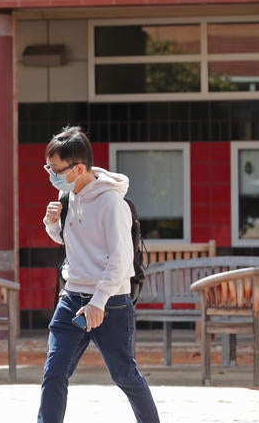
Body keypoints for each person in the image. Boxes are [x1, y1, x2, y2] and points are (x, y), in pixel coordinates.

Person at [39, 126, 160, 423]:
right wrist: (51, 223)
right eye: (48, 167)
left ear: (79, 168)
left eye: (56, 169)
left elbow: (120, 261)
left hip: (111, 303)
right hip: (71, 299)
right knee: (54, 373)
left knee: (125, 376)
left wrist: (98, 302)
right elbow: (72, 241)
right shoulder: (68, 195)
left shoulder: (111, 203)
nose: (52, 174)